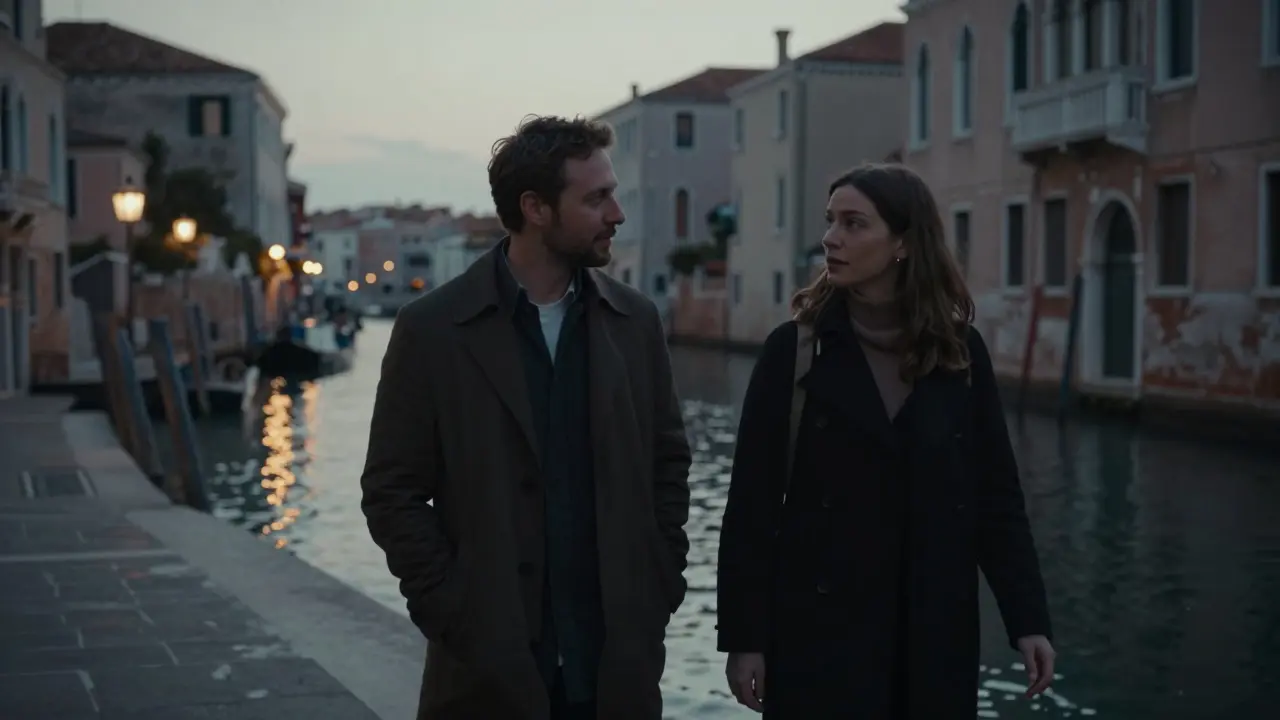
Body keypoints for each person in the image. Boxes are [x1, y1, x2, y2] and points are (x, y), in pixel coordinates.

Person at [360, 115, 692, 720]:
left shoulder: (635, 323)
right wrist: (451, 610)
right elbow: (391, 492)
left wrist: (657, 585)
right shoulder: (433, 329)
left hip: (614, 669)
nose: (617, 213)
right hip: (487, 670)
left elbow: (667, 466)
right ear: (536, 208)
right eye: (596, 198)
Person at [716, 163, 1055, 718]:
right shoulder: (794, 351)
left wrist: (1028, 621)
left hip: (933, 637)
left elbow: (997, 501)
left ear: (902, 242)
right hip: (818, 640)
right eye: (830, 222)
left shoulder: (959, 354)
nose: (831, 238)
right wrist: (745, 639)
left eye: (853, 224)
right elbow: (751, 508)